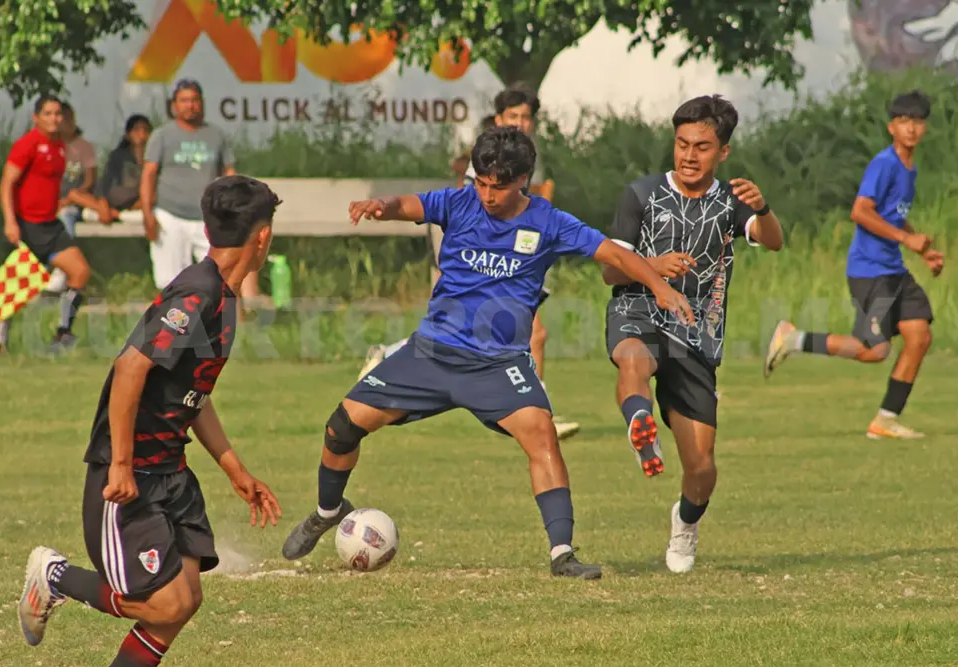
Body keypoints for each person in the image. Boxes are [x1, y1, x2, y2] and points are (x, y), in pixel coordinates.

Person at [280, 127, 693, 580]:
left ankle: (562, 554)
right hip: (431, 354)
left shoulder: (549, 222)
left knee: (542, 435)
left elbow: (612, 253)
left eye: (499, 186)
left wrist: (659, 286)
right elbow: (409, 205)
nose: (488, 195)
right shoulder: (459, 203)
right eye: (481, 183)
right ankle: (328, 511)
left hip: (498, 366)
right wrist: (382, 206)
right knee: (341, 427)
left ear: (523, 180)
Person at [16, 175, 284, 667]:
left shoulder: (223, 297)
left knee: (184, 599)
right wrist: (120, 465)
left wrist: (235, 470)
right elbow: (129, 368)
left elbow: (194, 393)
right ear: (262, 235)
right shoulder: (198, 292)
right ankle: (54, 577)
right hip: (131, 476)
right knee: (166, 604)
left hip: (170, 471)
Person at [602, 95, 785, 574]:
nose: (688, 155)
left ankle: (685, 523)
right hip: (637, 310)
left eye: (701, 147)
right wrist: (652, 268)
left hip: (695, 335)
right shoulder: (640, 194)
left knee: (702, 468)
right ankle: (640, 424)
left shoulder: (730, 203)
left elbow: (773, 241)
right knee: (633, 358)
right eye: (682, 144)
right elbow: (609, 271)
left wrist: (763, 208)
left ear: (723, 152)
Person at [360, 85, 581, 441]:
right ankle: (537, 413)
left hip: (510, 255)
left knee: (526, 333)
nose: (521, 122)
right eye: (513, 116)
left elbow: (536, 199)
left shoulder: (525, 154)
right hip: (476, 253)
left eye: (526, 117)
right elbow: (472, 209)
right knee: (524, 332)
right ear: (499, 118)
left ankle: (536, 412)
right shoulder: (490, 157)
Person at [764, 90, 942, 439]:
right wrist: (906, 240)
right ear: (892, 127)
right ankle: (794, 339)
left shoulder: (909, 169)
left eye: (918, 121)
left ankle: (885, 420)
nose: (911, 128)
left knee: (919, 336)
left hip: (893, 270)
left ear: (925, 128)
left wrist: (921, 249)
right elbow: (860, 211)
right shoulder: (885, 164)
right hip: (870, 271)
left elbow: (891, 215)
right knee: (874, 350)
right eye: (903, 121)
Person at [0, 95, 93, 354]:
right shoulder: (27, 144)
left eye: (58, 114)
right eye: (48, 114)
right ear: (36, 118)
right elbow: (7, 184)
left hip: (51, 225)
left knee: (80, 272)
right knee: (14, 287)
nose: (54, 119)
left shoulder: (60, 146)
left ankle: (63, 333)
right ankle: (0, 344)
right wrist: (10, 221)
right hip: (27, 225)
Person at [141, 79, 236, 289]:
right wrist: (147, 215)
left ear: (202, 103)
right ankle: (174, 312)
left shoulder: (217, 135)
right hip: (170, 217)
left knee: (218, 279)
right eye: (184, 100)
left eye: (194, 100)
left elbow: (229, 174)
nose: (190, 105)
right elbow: (148, 175)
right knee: (170, 283)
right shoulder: (162, 135)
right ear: (174, 105)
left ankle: (214, 312)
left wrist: (230, 210)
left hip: (208, 218)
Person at [47, 102, 115, 293]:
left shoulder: (84, 147)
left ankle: (62, 269)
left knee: (65, 216)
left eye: (71, 117)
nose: (68, 122)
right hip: (51, 201)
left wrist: (70, 199)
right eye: (64, 118)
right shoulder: (49, 146)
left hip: (75, 202)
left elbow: (90, 180)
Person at [100, 114, 153, 213]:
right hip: (123, 200)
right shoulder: (118, 156)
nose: (142, 134)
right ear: (128, 135)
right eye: (137, 130)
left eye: (145, 130)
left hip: (147, 200)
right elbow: (106, 183)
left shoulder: (154, 156)